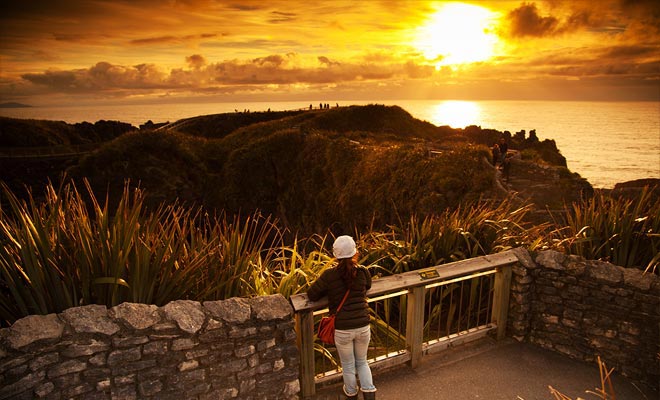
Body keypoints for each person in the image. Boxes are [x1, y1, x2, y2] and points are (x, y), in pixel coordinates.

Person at [307, 235, 377, 400]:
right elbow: (368, 285)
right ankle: (369, 394)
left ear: (335, 255)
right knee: (362, 362)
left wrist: (329, 292)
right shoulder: (362, 271)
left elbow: (312, 294)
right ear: (355, 253)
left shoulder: (329, 275)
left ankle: (351, 394)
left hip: (342, 328)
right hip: (363, 325)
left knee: (348, 365)